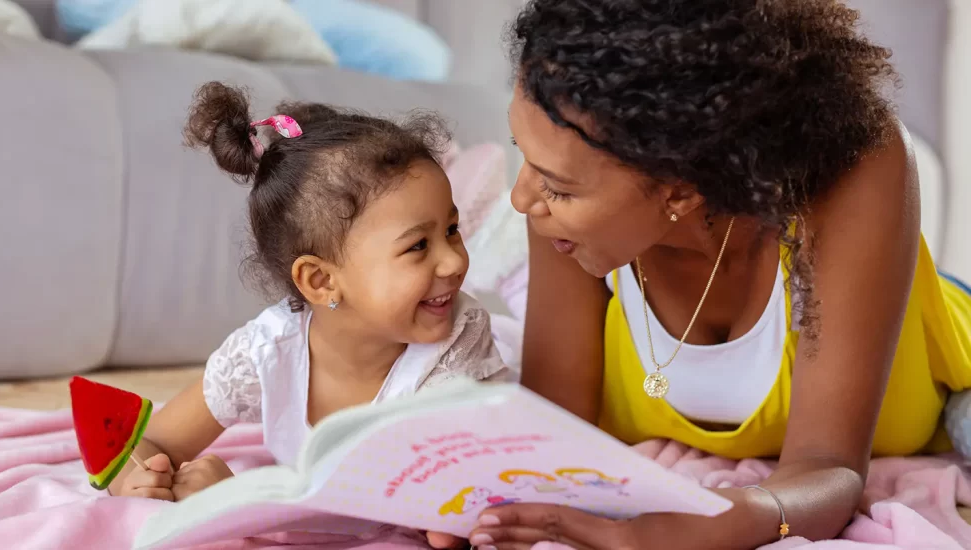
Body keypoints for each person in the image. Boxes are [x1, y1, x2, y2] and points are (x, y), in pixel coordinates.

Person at [429, 0, 971, 548]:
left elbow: (828, 465)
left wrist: (755, 516)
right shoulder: (563, 222)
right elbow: (553, 439)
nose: (522, 199)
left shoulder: (858, 169)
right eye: (525, 154)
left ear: (681, 189)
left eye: (559, 186)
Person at [109, 82, 515, 501]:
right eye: (418, 246)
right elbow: (154, 444)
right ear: (321, 282)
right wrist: (140, 478)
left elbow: (439, 496)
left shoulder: (456, 349)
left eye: (452, 230)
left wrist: (240, 498)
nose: (453, 262)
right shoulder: (268, 350)